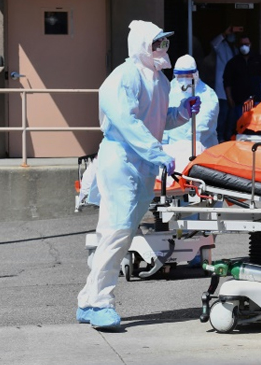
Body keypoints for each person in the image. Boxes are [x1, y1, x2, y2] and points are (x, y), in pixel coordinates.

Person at [76, 20, 201, 330]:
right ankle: (100, 302)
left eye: (165, 43)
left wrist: (182, 112)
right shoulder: (123, 77)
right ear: (142, 46)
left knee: (119, 235)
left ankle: (87, 299)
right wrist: (157, 152)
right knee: (117, 232)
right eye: (157, 43)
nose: (162, 49)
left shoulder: (160, 82)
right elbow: (127, 123)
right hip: (121, 160)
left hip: (143, 164)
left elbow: (158, 119)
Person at [164, 54, 219, 149]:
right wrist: (163, 146)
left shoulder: (208, 94)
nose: (184, 79)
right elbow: (163, 118)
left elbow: (202, 126)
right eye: (180, 76)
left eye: (188, 75)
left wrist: (186, 147)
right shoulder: (170, 89)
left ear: (195, 74)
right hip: (171, 148)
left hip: (199, 148)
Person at [223, 33, 261, 130]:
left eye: (246, 44)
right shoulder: (233, 63)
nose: (244, 47)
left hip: (257, 101)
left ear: (251, 44)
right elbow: (227, 82)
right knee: (241, 127)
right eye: (242, 44)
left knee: (257, 127)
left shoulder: (260, 60)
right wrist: (230, 99)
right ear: (238, 45)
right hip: (240, 102)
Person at [211, 27, 238, 142]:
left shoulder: (236, 49)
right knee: (222, 115)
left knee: (232, 117)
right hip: (222, 88)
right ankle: (220, 138)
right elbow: (213, 43)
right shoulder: (221, 46)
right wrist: (224, 33)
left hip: (233, 87)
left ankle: (228, 137)